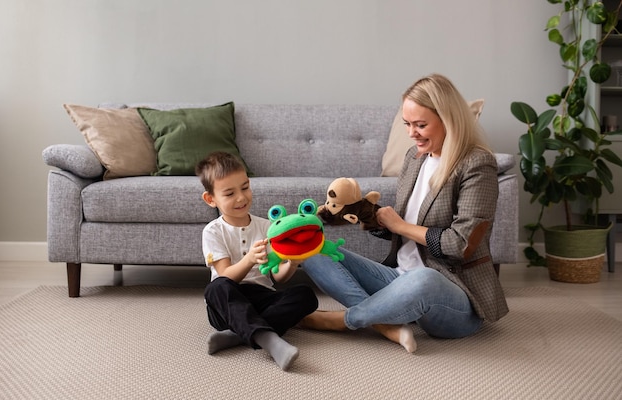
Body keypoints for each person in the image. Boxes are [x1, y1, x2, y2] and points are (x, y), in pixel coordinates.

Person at [299, 73, 509, 352]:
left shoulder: (477, 164)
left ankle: (345, 320)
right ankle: (385, 324)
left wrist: (399, 226)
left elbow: (461, 245)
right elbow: (402, 224)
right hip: (399, 277)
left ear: (449, 119)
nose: (412, 133)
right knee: (312, 249)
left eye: (421, 125)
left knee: (424, 279)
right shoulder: (415, 157)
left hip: (453, 292)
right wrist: (361, 212)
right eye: (407, 124)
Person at [196, 151, 318, 371]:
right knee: (216, 287)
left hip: (261, 296)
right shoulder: (213, 231)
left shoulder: (266, 227)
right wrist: (250, 259)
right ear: (210, 199)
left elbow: (277, 277)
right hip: (227, 303)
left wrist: (292, 262)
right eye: (230, 193)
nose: (241, 198)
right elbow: (225, 275)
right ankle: (270, 341)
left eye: (244, 187)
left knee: (306, 295)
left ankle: (236, 335)